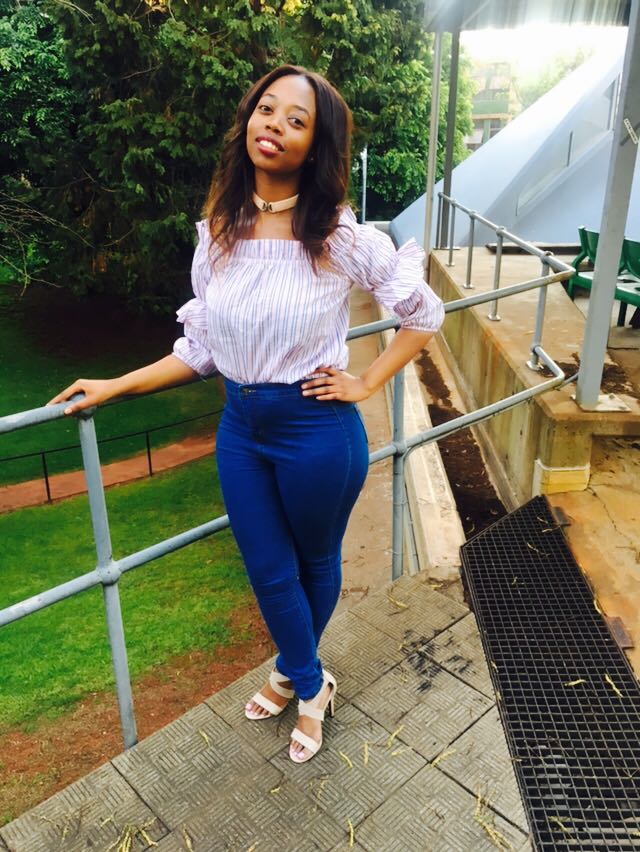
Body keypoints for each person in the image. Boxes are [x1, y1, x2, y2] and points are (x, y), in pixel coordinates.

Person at [48, 64, 444, 763]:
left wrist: (366, 382)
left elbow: (423, 314)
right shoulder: (219, 232)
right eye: (268, 109)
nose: (276, 126)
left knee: (315, 561)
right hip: (241, 429)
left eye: (297, 120)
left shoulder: (338, 236)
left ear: (316, 146)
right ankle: (312, 681)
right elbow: (202, 348)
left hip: (316, 429)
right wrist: (116, 385)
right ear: (249, 120)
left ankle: (294, 677)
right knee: (268, 569)